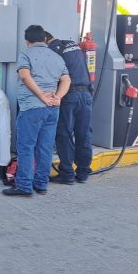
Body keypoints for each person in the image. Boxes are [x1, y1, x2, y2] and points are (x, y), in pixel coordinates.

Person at [3, 25, 70, 197]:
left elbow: (24, 76)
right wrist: (58, 97)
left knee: (26, 147)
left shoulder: (26, 54)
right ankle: (41, 184)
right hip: (52, 109)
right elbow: (66, 79)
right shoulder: (56, 57)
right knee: (45, 147)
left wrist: (41, 95)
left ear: (27, 40)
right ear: (44, 39)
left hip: (32, 108)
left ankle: (24, 186)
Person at [45, 31, 93, 184]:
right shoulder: (72, 45)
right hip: (86, 94)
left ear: (46, 40)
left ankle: (67, 173)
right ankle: (83, 171)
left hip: (69, 96)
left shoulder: (52, 49)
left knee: (64, 133)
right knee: (83, 133)